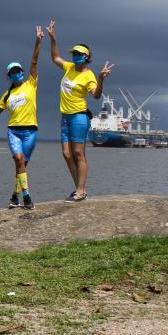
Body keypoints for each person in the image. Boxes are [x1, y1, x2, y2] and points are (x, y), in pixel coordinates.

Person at [47, 19, 114, 202]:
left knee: (78, 154)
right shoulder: (69, 67)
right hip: (65, 117)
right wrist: (53, 38)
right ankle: (79, 188)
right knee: (66, 154)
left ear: (86, 56)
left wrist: (101, 78)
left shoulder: (88, 75)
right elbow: (55, 57)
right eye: (74, 53)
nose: (75, 56)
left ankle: (80, 190)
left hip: (79, 117)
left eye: (78, 54)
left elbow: (96, 95)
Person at [0, 26, 43, 210]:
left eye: (18, 70)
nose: (16, 73)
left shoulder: (31, 84)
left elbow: (34, 62)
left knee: (22, 166)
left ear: (22, 71)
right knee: (19, 161)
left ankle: (14, 196)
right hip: (14, 131)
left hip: (31, 132)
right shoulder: (7, 95)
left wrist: (38, 41)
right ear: (9, 76)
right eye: (12, 72)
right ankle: (27, 197)